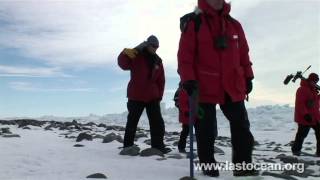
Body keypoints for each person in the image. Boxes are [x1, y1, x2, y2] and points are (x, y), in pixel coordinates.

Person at [177, 0, 256, 177]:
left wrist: (248, 76)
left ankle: (243, 166)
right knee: (206, 130)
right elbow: (185, 55)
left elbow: (244, 54)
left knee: (242, 127)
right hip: (203, 87)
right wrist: (188, 79)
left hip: (232, 85)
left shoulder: (235, 25)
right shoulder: (194, 23)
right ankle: (208, 165)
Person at [118, 35, 170, 154]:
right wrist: (134, 50)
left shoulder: (158, 61)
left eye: (157, 47)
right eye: (153, 46)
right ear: (147, 45)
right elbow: (122, 63)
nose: (155, 48)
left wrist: (159, 96)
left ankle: (158, 147)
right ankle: (128, 146)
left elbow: (161, 81)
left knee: (157, 123)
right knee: (132, 121)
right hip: (136, 96)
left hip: (152, 97)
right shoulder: (136, 55)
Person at [292, 73, 320, 157]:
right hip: (305, 117)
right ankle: (296, 151)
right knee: (301, 135)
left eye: (316, 81)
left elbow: (314, 103)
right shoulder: (302, 89)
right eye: (314, 81)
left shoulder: (313, 90)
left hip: (315, 117)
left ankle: (319, 152)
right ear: (310, 80)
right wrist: (305, 115)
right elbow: (300, 104)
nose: (315, 83)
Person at [173, 82, 189, 153]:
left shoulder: (180, 89)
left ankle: (181, 147)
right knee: (185, 130)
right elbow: (177, 102)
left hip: (192, 113)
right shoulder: (180, 90)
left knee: (186, 130)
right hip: (186, 114)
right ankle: (181, 147)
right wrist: (185, 109)